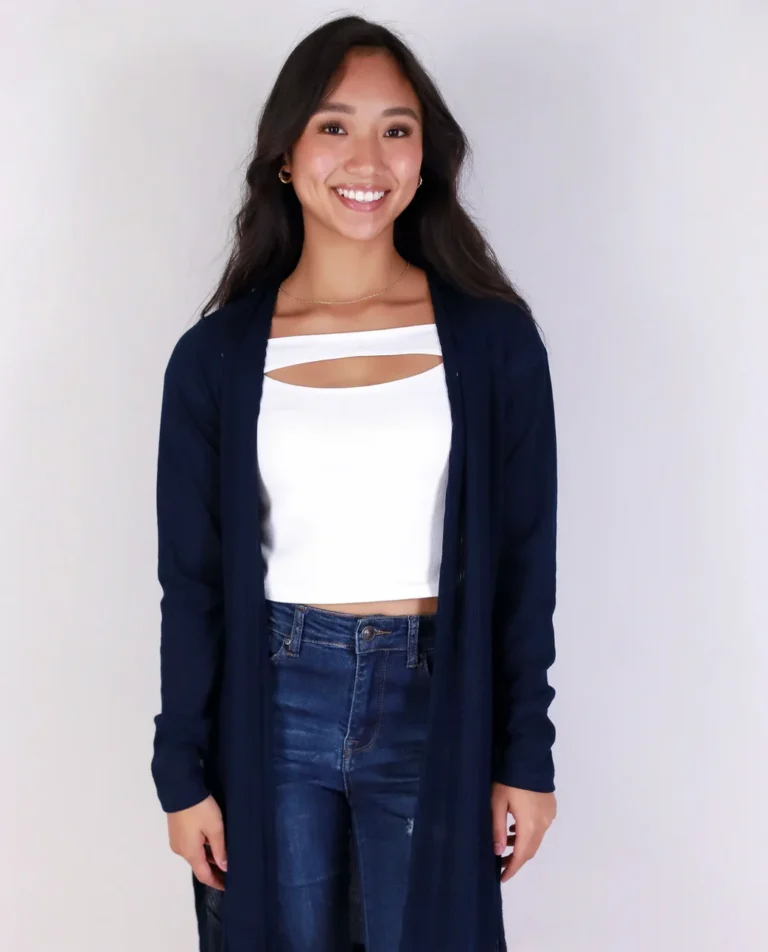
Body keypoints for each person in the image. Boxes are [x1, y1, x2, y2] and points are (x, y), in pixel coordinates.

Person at [151, 13, 558, 952]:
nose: (367, 158)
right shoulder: (215, 357)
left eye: (395, 128)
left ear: (424, 157)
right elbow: (194, 583)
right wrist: (181, 772)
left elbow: (523, 561)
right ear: (285, 155)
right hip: (273, 700)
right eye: (334, 125)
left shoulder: (493, 342)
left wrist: (526, 756)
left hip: (435, 698)